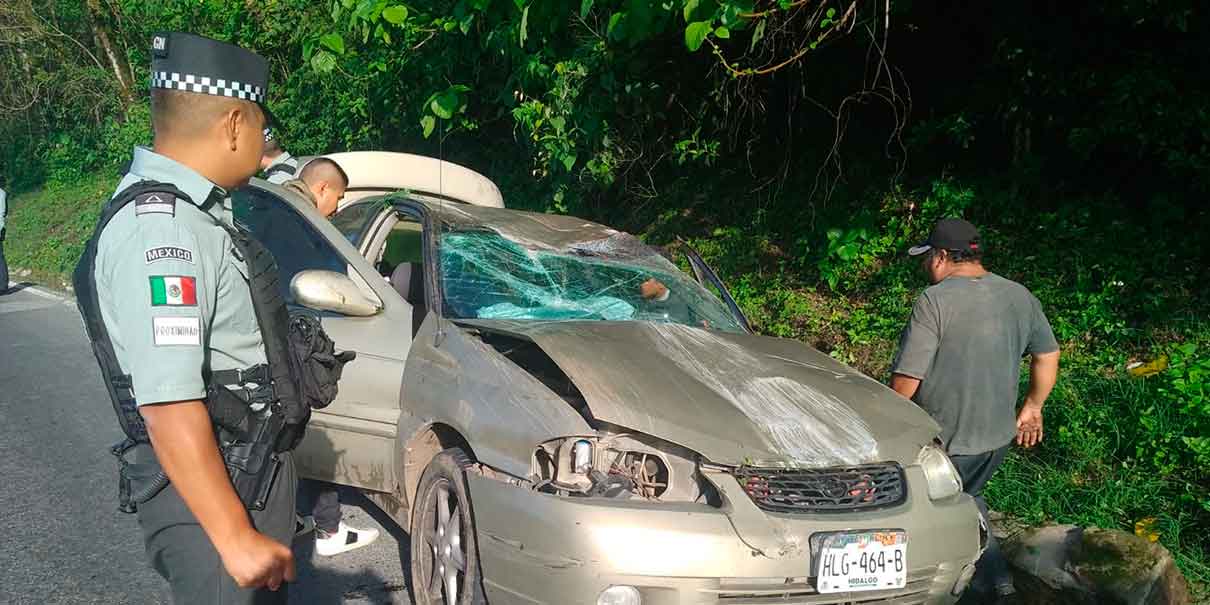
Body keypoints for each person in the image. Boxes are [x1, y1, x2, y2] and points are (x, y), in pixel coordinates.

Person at [80, 33, 296, 603]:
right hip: (217, 489)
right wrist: (235, 537)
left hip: (239, 471)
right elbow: (168, 400)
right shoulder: (165, 230)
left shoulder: (197, 215)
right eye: (260, 128)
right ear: (232, 124)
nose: (262, 142)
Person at [889, 218, 1060, 604]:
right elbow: (1048, 354)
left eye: (926, 256)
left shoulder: (934, 301)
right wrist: (1032, 407)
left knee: (932, 514)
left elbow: (907, 381)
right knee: (970, 500)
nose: (924, 266)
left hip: (945, 441)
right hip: (996, 438)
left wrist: (885, 431)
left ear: (942, 256)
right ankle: (1000, 587)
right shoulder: (1019, 295)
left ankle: (972, 589)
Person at [279, 156, 381, 555]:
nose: (337, 209)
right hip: (288, 343)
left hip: (265, 342)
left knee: (284, 433)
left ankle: (289, 519)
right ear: (321, 189)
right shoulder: (303, 225)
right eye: (336, 199)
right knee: (311, 425)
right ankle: (328, 529)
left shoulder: (272, 207)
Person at [282, 157, 348, 218]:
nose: (336, 210)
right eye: (338, 198)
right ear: (323, 188)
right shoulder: (302, 219)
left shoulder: (277, 196)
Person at [0, 180, 8, 293]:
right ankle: (3, 284)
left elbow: (2, 213)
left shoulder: (1, 193)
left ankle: (3, 284)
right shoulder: (2, 192)